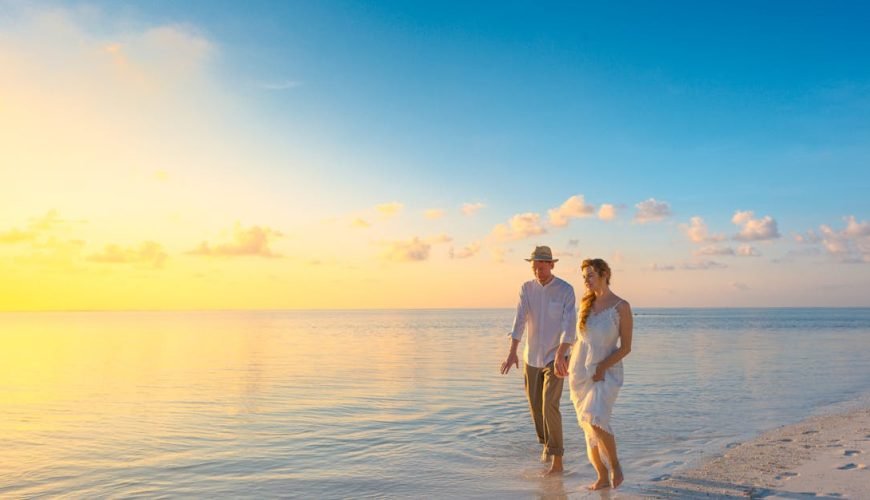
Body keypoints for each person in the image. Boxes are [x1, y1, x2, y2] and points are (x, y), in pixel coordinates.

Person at [500, 245, 577, 475]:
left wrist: (563, 350)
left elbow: (569, 324)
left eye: (542, 266)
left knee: (549, 405)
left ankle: (557, 461)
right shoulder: (527, 288)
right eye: (535, 267)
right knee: (536, 408)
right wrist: (513, 350)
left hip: (557, 358)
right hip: (531, 357)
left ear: (551, 264)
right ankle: (546, 444)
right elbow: (520, 320)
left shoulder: (565, 290)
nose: (538, 271)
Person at [567, 258, 633, 490]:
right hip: (580, 372)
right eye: (584, 276)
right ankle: (601, 476)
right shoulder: (585, 305)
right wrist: (562, 357)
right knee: (587, 425)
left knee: (596, 419)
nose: (585, 280)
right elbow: (579, 340)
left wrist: (603, 367)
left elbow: (626, 347)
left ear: (605, 274)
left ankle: (615, 466)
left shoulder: (621, 307)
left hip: (606, 371)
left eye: (590, 275)